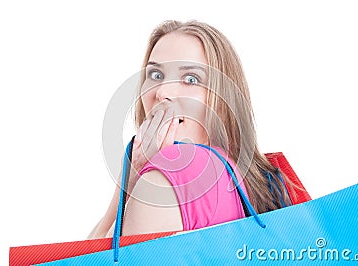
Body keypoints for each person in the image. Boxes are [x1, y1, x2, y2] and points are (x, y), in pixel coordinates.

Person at [88, 20, 292, 239]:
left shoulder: (177, 170)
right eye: (156, 75)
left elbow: (95, 260)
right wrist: (131, 177)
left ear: (223, 102)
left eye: (191, 79)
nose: (163, 92)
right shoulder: (239, 177)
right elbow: (89, 251)